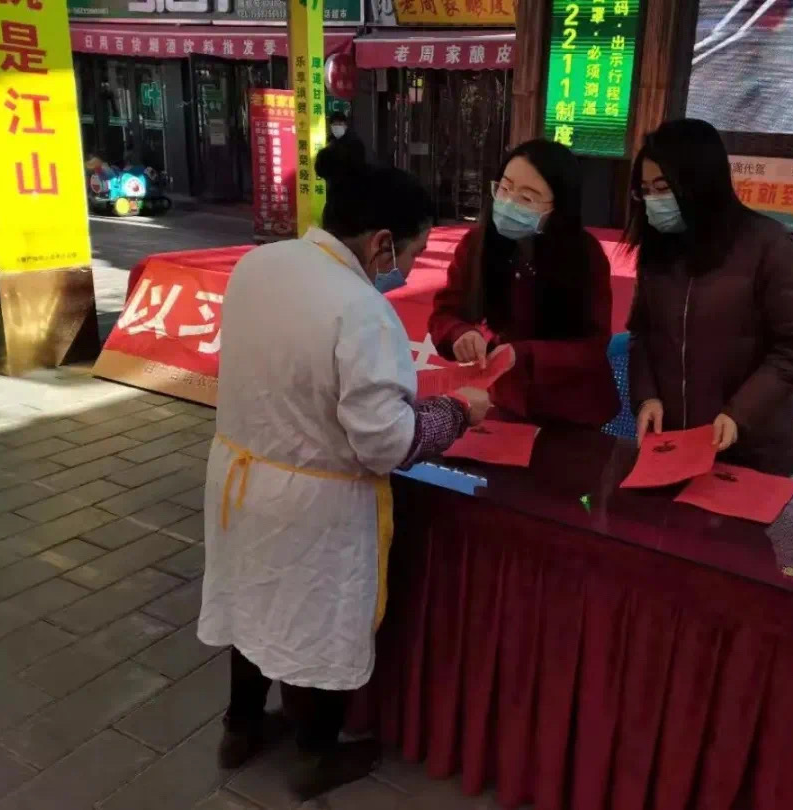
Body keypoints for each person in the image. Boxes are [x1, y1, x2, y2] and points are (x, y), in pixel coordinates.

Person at [198, 144, 491, 800]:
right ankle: (315, 753)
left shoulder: (261, 263)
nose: (407, 269)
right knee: (320, 619)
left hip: (241, 476)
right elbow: (386, 443)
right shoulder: (360, 308)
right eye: (413, 253)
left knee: (252, 599)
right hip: (314, 501)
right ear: (382, 242)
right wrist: (458, 411)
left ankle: (240, 727)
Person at [624, 119, 793, 474]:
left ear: (699, 183)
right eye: (646, 191)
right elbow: (642, 334)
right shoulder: (659, 248)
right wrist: (646, 397)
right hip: (674, 444)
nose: (653, 202)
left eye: (663, 189)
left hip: (750, 451)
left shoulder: (768, 245)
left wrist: (738, 414)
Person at [428, 139, 620, 428]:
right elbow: (445, 313)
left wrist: (526, 355)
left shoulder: (585, 255)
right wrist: (460, 333)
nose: (508, 203)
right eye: (504, 189)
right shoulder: (477, 244)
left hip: (574, 411)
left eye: (527, 198)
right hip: (507, 402)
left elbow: (593, 346)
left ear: (559, 208)